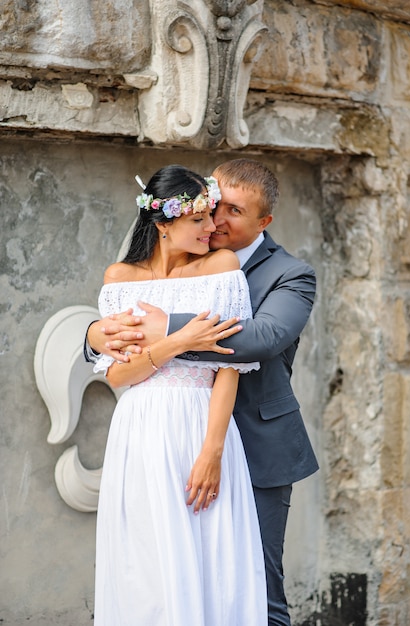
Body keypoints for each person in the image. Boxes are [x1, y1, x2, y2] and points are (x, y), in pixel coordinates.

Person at [85, 159, 319, 626]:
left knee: (253, 590)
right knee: (154, 575)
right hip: (151, 437)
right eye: (211, 206)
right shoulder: (136, 270)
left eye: (232, 211)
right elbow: (113, 356)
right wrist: (94, 333)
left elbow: (262, 339)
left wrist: (165, 328)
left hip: (249, 443)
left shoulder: (289, 273)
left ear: (262, 222)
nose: (216, 221)